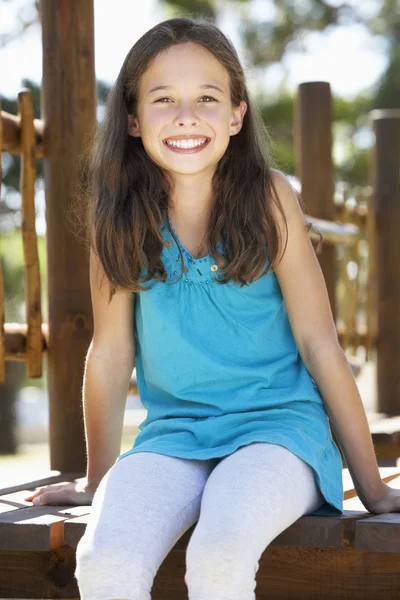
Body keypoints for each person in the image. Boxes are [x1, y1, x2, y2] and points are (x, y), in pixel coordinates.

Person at [24, 15, 398, 600]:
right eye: (163, 99)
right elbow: (112, 350)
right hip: (173, 438)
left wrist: (373, 490)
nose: (186, 116)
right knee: (104, 560)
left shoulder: (271, 199)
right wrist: (100, 480)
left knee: (220, 553)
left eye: (206, 97)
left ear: (236, 114)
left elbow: (320, 343)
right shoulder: (119, 217)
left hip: (279, 435)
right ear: (131, 117)